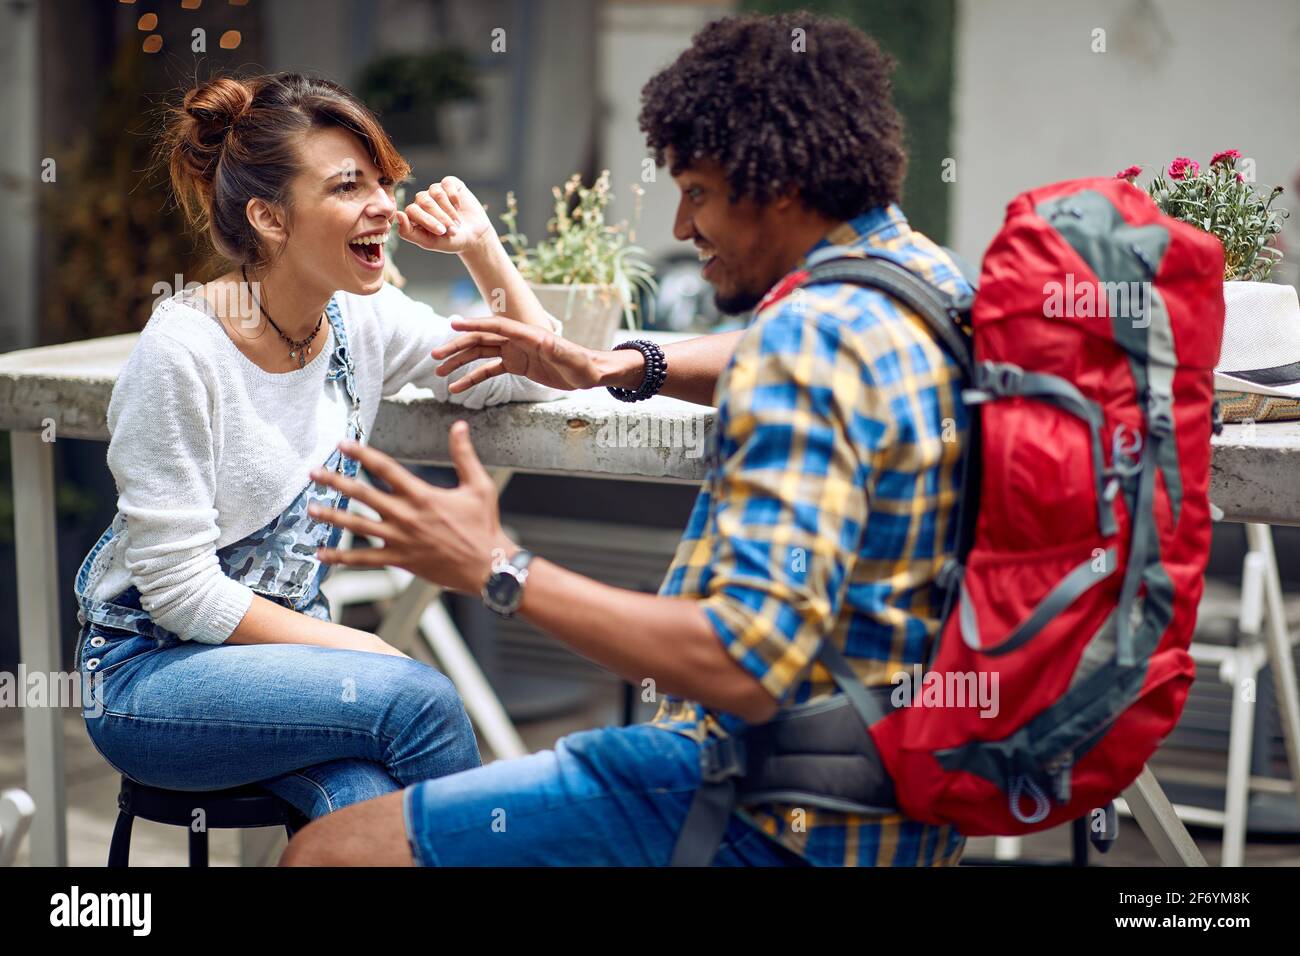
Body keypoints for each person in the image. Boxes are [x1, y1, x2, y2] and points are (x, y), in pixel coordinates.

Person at [281, 11, 973, 866]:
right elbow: (779, 354)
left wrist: (499, 568)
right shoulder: (929, 288)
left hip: (763, 806)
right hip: (905, 795)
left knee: (332, 852)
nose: (683, 228)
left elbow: (744, 666)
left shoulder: (808, 347)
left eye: (699, 192)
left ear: (779, 188)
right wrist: (615, 365)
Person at [72, 71, 563, 823]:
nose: (383, 206)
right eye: (347, 186)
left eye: (381, 181)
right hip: (149, 678)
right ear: (270, 217)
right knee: (419, 698)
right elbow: (178, 590)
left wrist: (481, 249)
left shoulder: (360, 321)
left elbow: (534, 377)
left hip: (286, 668)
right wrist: (359, 652)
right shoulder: (182, 352)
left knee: (363, 810)